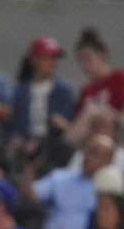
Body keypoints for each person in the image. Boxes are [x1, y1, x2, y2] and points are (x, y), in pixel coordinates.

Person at [9, 36, 76, 170]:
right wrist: (19, 139)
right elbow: (17, 121)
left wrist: (62, 124)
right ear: (34, 60)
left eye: (55, 58)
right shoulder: (21, 90)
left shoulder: (64, 90)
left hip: (53, 144)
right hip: (26, 143)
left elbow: (70, 124)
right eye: (48, 57)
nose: (53, 62)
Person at [73, 28, 124, 117]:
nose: (83, 65)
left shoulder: (120, 78)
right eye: (80, 60)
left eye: (87, 59)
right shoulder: (86, 91)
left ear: (102, 56)